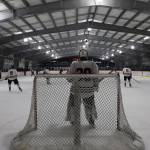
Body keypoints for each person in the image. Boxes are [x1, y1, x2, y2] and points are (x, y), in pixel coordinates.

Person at [65, 49, 99, 128]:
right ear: (87, 56)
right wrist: (96, 86)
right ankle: (91, 120)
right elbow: (96, 77)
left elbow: (69, 79)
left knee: (73, 106)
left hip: (76, 89)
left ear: (79, 56)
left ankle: (73, 120)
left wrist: (67, 75)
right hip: (89, 90)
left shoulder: (74, 64)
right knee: (90, 106)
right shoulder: (93, 64)